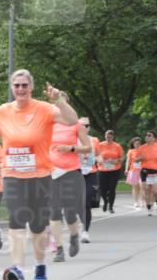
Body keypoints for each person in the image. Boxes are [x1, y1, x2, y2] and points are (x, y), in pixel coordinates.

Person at [0, 70, 79, 280]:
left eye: (24, 85)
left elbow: (71, 119)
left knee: (38, 226)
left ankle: (40, 264)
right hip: (13, 175)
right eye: (16, 85)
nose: (20, 89)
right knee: (17, 219)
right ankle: (17, 268)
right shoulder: (4, 111)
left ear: (31, 87)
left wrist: (58, 99)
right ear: (12, 88)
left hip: (40, 175)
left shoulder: (44, 109)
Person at [48, 97, 91, 262]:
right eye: (56, 104)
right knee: (54, 212)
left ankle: (74, 235)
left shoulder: (76, 124)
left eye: (62, 104)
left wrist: (71, 148)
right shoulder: (47, 124)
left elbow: (88, 148)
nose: (59, 107)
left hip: (71, 172)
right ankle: (59, 249)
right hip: (51, 172)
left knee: (70, 212)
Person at [78, 117, 101, 243]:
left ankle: (85, 231)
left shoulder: (94, 140)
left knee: (86, 201)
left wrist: (99, 159)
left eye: (87, 125)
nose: (85, 127)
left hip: (91, 173)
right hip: (77, 173)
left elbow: (98, 155)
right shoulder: (72, 140)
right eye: (83, 125)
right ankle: (82, 224)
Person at [136, 131, 157, 216]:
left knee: (155, 191)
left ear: (154, 138)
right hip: (145, 171)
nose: (147, 136)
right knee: (146, 190)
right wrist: (140, 158)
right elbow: (136, 159)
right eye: (146, 135)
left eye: (149, 135)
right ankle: (149, 208)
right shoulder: (141, 148)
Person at [97, 130, 124, 214]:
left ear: (113, 137)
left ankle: (111, 206)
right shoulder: (100, 145)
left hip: (114, 170)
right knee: (102, 189)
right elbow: (95, 156)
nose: (108, 138)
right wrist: (100, 160)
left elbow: (122, 157)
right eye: (107, 136)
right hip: (102, 169)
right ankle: (105, 201)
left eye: (110, 136)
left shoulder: (117, 146)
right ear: (105, 136)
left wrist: (116, 160)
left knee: (112, 189)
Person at [125, 137, 143, 208]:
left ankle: (142, 201)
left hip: (142, 171)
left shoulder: (143, 150)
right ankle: (136, 201)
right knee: (135, 187)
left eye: (139, 143)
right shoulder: (130, 151)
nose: (137, 145)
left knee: (142, 186)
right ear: (133, 144)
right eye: (136, 144)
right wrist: (126, 169)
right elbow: (128, 161)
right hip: (133, 171)